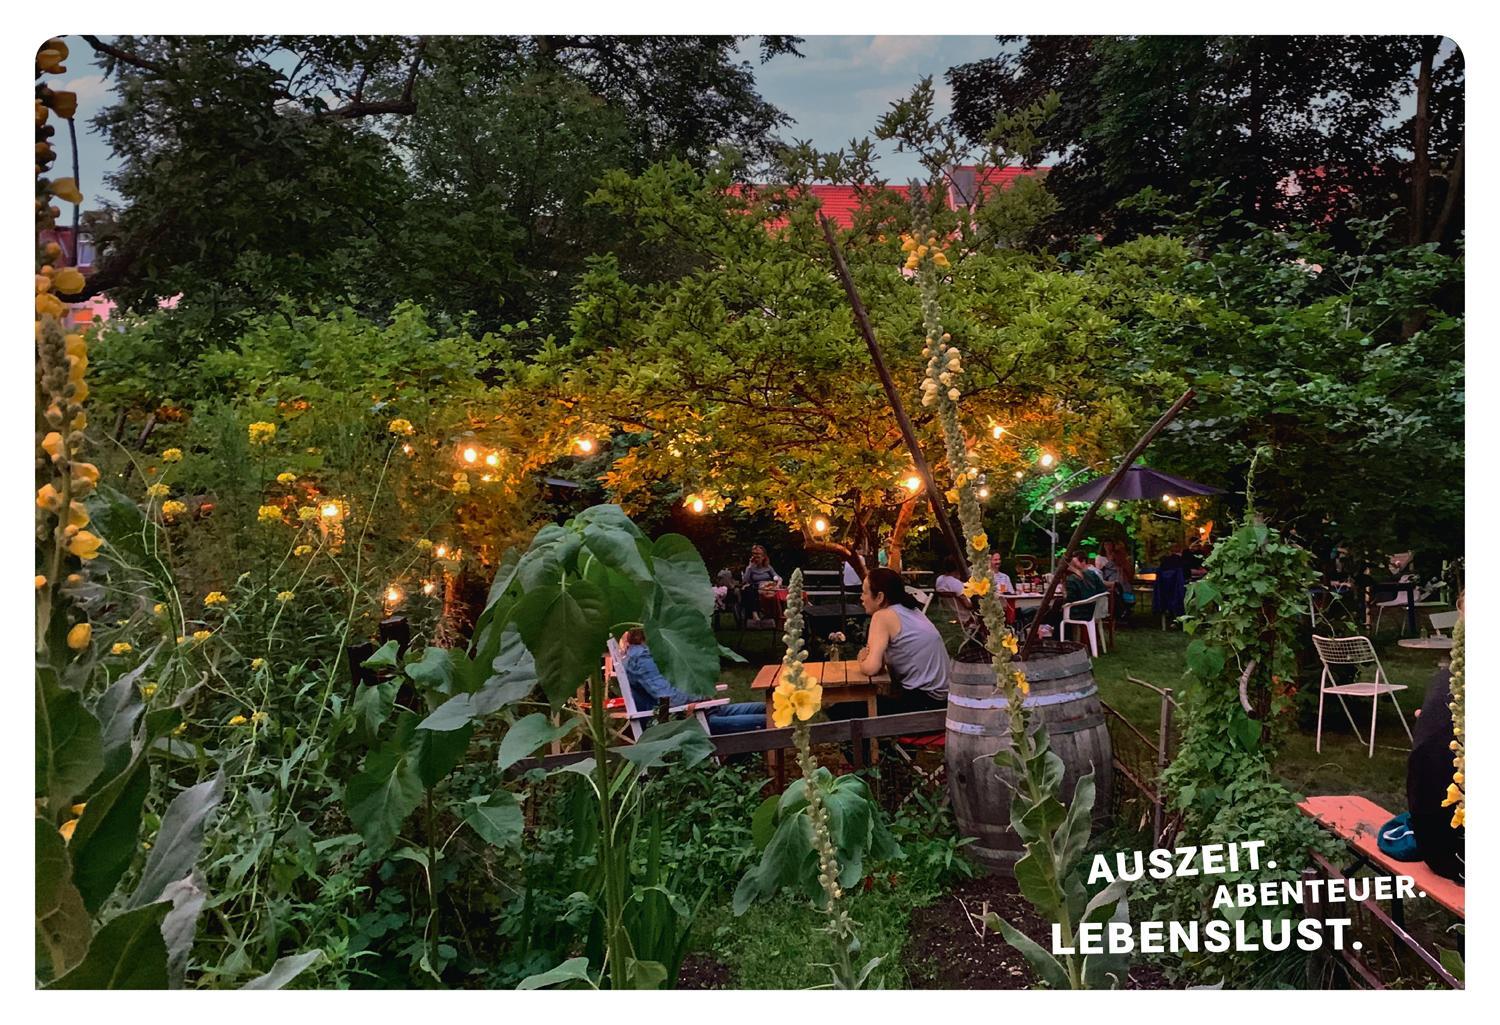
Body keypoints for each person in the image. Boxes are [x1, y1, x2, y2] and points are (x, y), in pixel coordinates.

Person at [617, 628, 766, 734]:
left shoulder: (649, 652)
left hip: (705, 711)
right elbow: (669, 698)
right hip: (692, 720)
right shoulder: (642, 659)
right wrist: (700, 695)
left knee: (767, 707)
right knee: (771, 719)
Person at [854, 567, 950, 712]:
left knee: (845, 709)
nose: (861, 597)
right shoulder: (912, 610)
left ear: (879, 597)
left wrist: (861, 658)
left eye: (864, 592)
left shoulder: (883, 616)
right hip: (943, 699)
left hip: (925, 703)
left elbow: (871, 667)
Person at [739, 545, 783, 625]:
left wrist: (778, 583)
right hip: (756, 588)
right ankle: (755, 615)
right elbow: (745, 581)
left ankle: (777, 617)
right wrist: (749, 567)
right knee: (748, 590)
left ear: (763, 557)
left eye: (758, 555)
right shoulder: (750, 568)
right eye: (754, 555)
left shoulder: (768, 567)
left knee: (776, 593)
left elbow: (777, 577)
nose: (756, 558)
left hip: (768, 588)